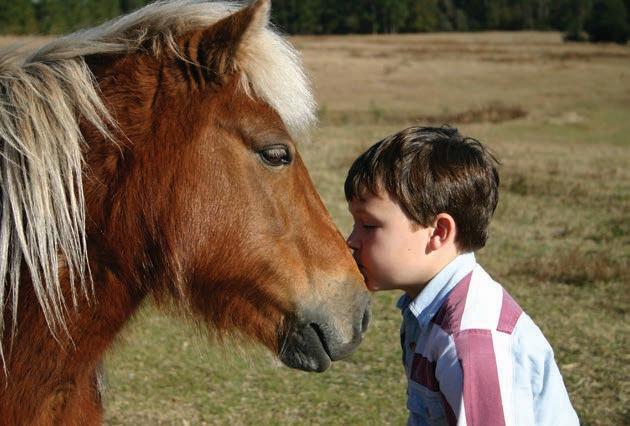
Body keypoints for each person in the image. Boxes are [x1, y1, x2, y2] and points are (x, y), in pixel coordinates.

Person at [345, 126, 579, 425]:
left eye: (369, 225)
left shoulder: (468, 340)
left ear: (439, 232)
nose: (351, 241)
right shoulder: (427, 311)